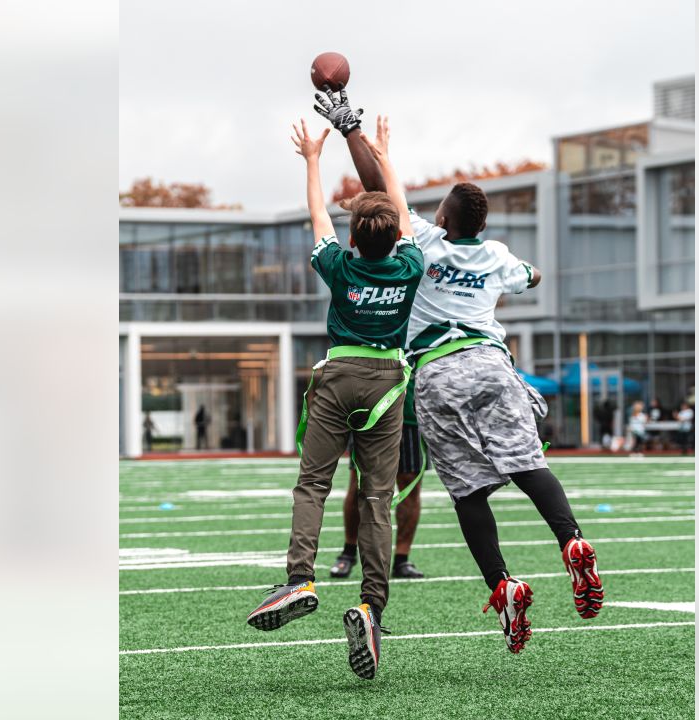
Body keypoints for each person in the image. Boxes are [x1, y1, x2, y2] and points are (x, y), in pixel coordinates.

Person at [321, 102, 603, 654]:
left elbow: (378, 181)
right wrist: (500, 276)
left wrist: (351, 129)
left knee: (470, 492)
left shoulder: (423, 241)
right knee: (528, 463)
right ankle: (570, 540)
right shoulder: (497, 254)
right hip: (491, 366)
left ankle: (503, 583)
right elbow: (533, 276)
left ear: (443, 219)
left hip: (436, 373)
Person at [246, 117, 422, 683]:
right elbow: (400, 205)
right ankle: (372, 606)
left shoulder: (340, 264)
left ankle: (300, 578)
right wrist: (385, 155)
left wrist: (313, 158)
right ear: (397, 236)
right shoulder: (411, 263)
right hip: (388, 381)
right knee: (377, 497)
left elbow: (317, 213)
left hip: (339, 371)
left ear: (354, 239)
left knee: (313, 483)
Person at [330, 375, 426, 580]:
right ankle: (348, 552)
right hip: (371, 410)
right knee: (359, 484)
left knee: (410, 483)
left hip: (410, 413)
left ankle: (402, 558)